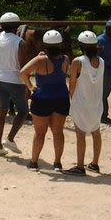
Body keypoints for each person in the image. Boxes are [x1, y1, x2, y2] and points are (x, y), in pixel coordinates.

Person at [20, 30, 70, 172]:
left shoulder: (40, 60)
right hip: (61, 97)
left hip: (42, 98)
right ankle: (57, 163)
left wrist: (30, 87)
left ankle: (34, 162)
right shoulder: (65, 59)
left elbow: (23, 73)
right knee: (58, 132)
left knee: (40, 133)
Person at [64, 30, 104, 176]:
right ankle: (95, 163)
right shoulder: (102, 62)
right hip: (96, 103)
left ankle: (80, 166)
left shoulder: (78, 62)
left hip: (81, 102)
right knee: (96, 132)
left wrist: (71, 98)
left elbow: (72, 84)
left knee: (80, 134)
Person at [0, 12, 29, 157]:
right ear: (16, 26)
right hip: (15, 80)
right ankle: (10, 139)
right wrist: (27, 85)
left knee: (2, 112)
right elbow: (22, 67)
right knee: (23, 111)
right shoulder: (20, 42)